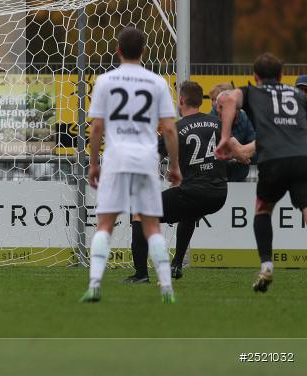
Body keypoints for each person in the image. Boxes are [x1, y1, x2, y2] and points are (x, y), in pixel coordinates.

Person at [80, 26, 181, 304]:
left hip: (116, 157)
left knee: (105, 224)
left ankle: (95, 284)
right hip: (146, 159)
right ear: (144, 51)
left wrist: (93, 164)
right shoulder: (157, 82)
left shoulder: (105, 81)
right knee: (151, 226)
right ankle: (166, 288)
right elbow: (170, 131)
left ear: (118, 50)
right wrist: (174, 165)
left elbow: (97, 127)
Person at [215, 53, 307, 293]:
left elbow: (226, 99)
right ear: (282, 76)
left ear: (254, 77)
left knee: (263, 209)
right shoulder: (298, 95)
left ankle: (267, 264)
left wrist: (225, 137)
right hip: (302, 159)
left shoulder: (252, 93)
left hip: (274, 160)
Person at [126, 81, 226, 283]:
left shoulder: (176, 129)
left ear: (181, 101)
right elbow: (235, 149)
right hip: (218, 194)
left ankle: (141, 275)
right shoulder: (218, 124)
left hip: (194, 191)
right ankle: (177, 264)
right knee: (189, 212)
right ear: (202, 101)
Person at [208, 83, 256, 182]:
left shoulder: (245, 119)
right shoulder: (210, 120)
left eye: (216, 100)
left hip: (239, 176)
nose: (214, 104)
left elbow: (254, 148)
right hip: (215, 178)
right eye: (213, 100)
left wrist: (242, 154)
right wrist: (240, 155)